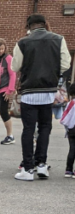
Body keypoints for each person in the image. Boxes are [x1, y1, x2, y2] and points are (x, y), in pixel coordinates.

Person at [11, 13, 71, 181]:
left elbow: (15, 66)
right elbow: (65, 64)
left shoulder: (22, 42)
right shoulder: (58, 39)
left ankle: (27, 168)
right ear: (44, 24)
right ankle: (42, 164)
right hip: (48, 91)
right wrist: (52, 71)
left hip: (29, 91)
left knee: (28, 130)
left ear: (29, 26)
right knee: (45, 128)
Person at [61, 82, 75, 177]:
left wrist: (68, 127)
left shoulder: (71, 103)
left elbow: (65, 117)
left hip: (72, 129)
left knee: (72, 149)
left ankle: (68, 169)